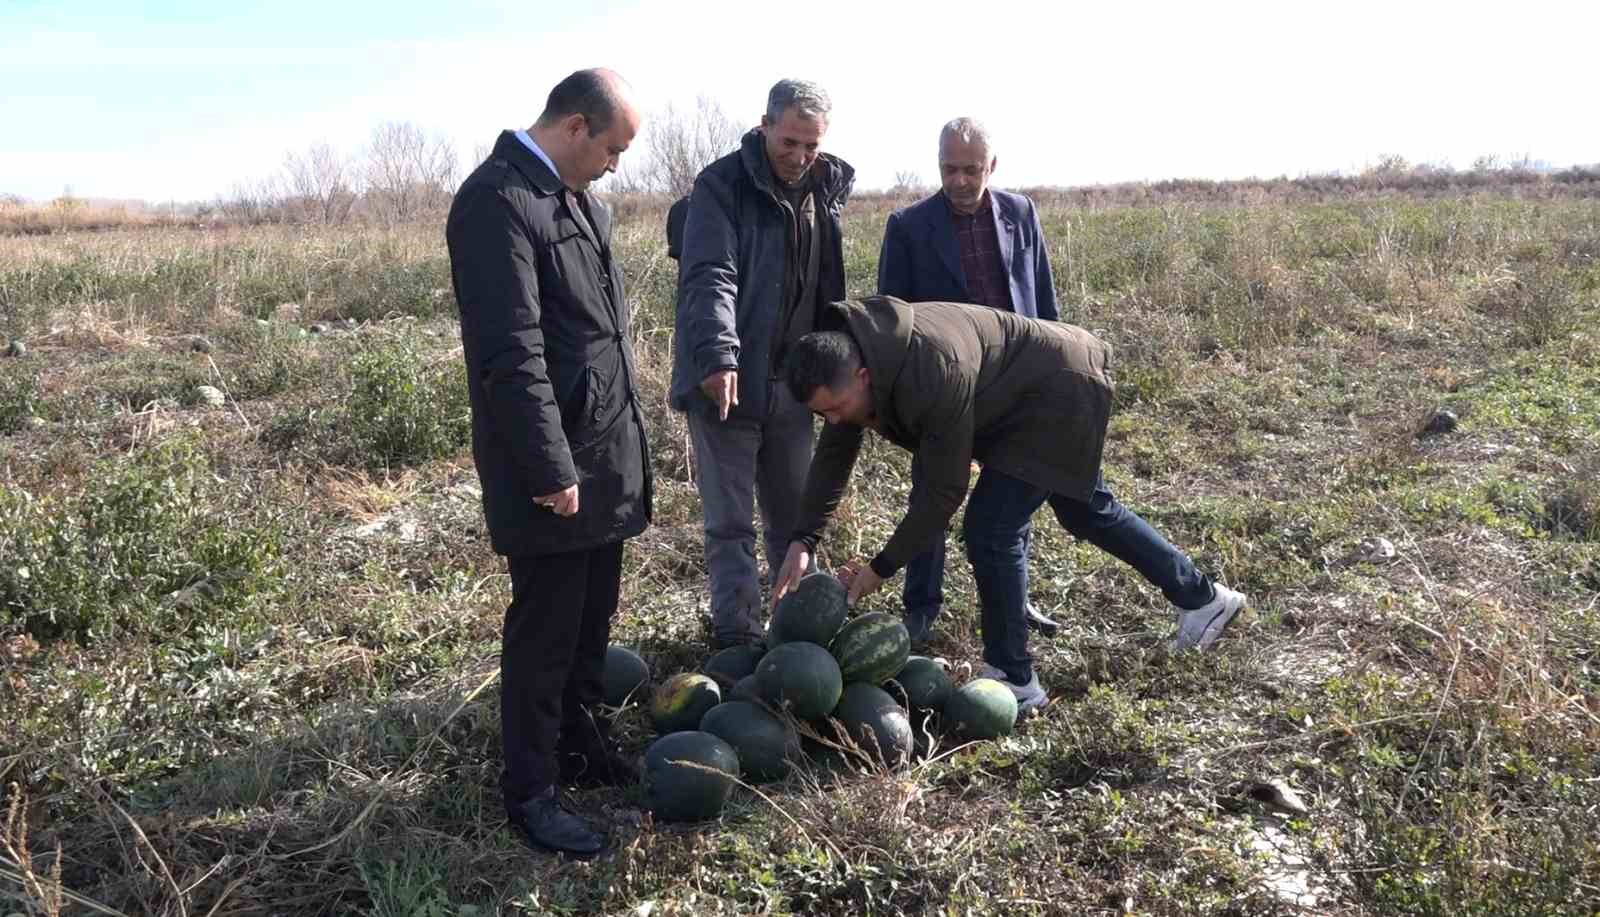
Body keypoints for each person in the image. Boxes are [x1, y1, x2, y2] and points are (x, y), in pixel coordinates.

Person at [772, 297, 1247, 711]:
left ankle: (1012, 675)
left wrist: (879, 568)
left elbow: (943, 490)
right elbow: (835, 454)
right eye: (821, 414)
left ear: (863, 375)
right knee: (1085, 508)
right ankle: (1203, 599)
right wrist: (803, 538)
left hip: (1059, 389)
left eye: (835, 407)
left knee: (990, 529)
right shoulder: (856, 361)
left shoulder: (932, 367)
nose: (832, 420)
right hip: (1024, 392)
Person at [446, 68, 651, 857]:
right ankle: (531, 792)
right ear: (574, 127)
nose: (615, 165)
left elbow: (598, 343)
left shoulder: (577, 203)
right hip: (553, 466)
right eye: (612, 148)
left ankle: (579, 745)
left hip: (603, 453)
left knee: (591, 619)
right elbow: (511, 352)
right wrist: (548, 466)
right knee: (544, 633)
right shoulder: (497, 202)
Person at [670, 79, 855, 649]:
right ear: (765, 126)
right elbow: (711, 275)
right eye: (790, 142)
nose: (799, 157)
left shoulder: (825, 191)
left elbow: (828, 290)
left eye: (811, 146)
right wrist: (719, 355)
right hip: (725, 381)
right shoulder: (721, 187)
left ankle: (799, 634)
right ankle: (738, 635)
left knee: (793, 520)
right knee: (729, 525)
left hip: (793, 385)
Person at [876, 117, 1061, 643]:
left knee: (1010, 499)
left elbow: (1042, 300)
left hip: (1016, 381)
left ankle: (1015, 598)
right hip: (946, 386)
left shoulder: (1021, 214)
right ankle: (920, 607)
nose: (959, 180)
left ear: (992, 165)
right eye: (949, 169)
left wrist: (1052, 370)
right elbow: (893, 321)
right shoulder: (908, 226)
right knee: (934, 491)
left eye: (971, 169)